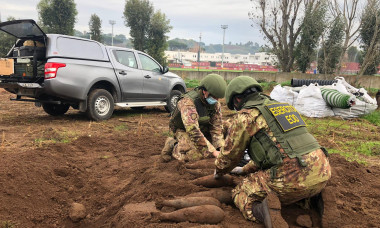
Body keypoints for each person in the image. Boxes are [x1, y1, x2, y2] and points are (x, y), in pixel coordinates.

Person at [214, 76, 331, 228]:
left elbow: (230, 156)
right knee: (298, 183)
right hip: (323, 170)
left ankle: (263, 211)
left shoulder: (246, 116)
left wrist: (219, 169)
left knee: (241, 192)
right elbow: (277, 148)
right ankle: (315, 198)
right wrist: (244, 169)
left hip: (291, 177)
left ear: (237, 100)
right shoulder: (284, 107)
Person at [161, 74, 227, 162]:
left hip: (202, 127)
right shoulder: (187, 102)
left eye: (218, 98)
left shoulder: (214, 104)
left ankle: (208, 143)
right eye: (214, 97)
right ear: (204, 91)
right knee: (194, 156)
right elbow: (193, 131)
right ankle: (173, 144)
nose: (216, 100)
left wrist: (219, 147)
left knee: (229, 127)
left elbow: (217, 126)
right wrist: (213, 151)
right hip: (183, 129)